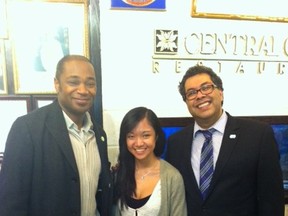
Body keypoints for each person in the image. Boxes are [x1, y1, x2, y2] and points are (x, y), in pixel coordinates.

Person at [0, 55, 113, 216]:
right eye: (73, 82)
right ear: (57, 84)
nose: (83, 90)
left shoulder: (99, 134)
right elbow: (10, 202)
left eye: (90, 84)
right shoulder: (27, 128)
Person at [165, 64, 285, 216]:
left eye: (206, 87)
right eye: (191, 93)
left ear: (220, 93)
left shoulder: (258, 135)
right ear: (187, 102)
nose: (200, 95)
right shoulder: (176, 143)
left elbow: (271, 199)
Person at [113, 107, 187, 216]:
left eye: (146, 135)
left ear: (156, 136)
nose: (138, 143)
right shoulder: (119, 173)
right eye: (131, 136)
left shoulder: (172, 177)